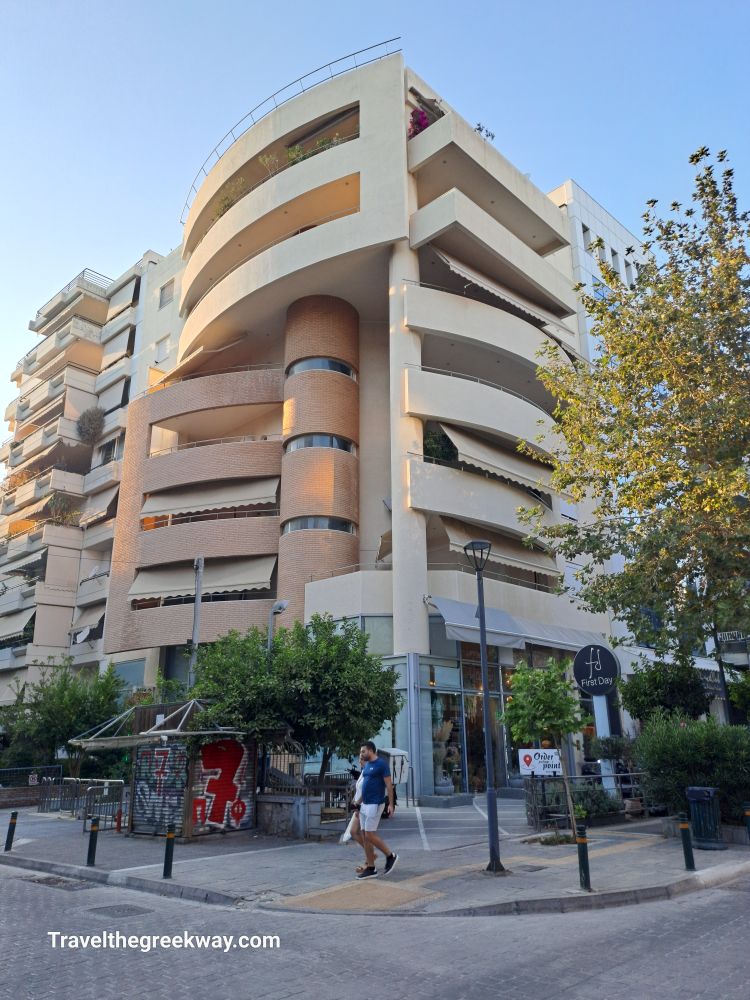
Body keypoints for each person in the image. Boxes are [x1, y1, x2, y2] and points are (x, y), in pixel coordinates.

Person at [355, 740, 398, 880]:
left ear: (371, 751)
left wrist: (391, 805)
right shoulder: (367, 766)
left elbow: (389, 785)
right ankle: (371, 868)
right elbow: (365, 787)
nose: (361, 754)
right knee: (364, 835)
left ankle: (390, 856)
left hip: (375, 804)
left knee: (369, 835)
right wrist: (357, 803)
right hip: (364, 805)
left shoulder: (381, 765)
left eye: (363, 751)